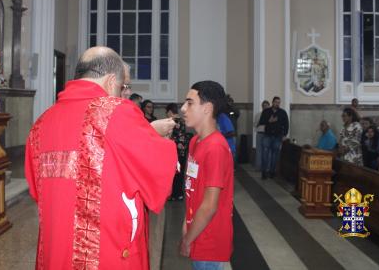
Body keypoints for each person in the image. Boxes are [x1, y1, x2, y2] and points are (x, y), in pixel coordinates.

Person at [24, 47, 178, 269]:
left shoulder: (41, 123)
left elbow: (38, 190)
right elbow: (158, 172)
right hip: (105, 253)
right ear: (110, 81)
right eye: (122, 87)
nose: (122, 94)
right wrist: (158, 138)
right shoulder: (116, 111)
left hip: (55, 251)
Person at [180, 81, 233, 270]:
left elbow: (210, 206)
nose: (183, 108)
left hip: (209, 240)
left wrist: (187, 240)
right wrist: (186, 226)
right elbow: (193, 191)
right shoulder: (195, 141)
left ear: (207, 108)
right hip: (197, 232)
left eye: (190, 103)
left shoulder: (216, 148)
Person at [258, 96, 289, 179]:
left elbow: (286, 124)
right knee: (265, 154)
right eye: (276, 102)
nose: (277, 104)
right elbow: (261, 122)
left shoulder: (282, 112)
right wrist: (269, 121)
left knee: (275, 155)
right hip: (267, 135)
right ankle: (264, 172)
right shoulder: (266, 111)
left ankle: (272, 172)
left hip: (277, 136)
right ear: (272, 102)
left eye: (279, 102)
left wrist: (285, 135)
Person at [166, 103, 189, 201]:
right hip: (182, 151)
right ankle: (179, 194)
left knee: (174, 174)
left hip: (174, 151)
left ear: (170, 112)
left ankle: (174, 194)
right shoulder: (182, 121)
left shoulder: (172, 122)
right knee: (180, 173)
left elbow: (169, 137)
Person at [254, 100, 270, 170]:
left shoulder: (271, 115)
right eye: (264, 106)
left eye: (267, 106)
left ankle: (267, 167)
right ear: (262, 107)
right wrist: (260, 122)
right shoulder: (258, 114)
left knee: (267, 151)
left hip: (268, 134)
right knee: (259, 150)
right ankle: (258, 166)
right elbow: (255, 125)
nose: (265, 107)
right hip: (260, 133)